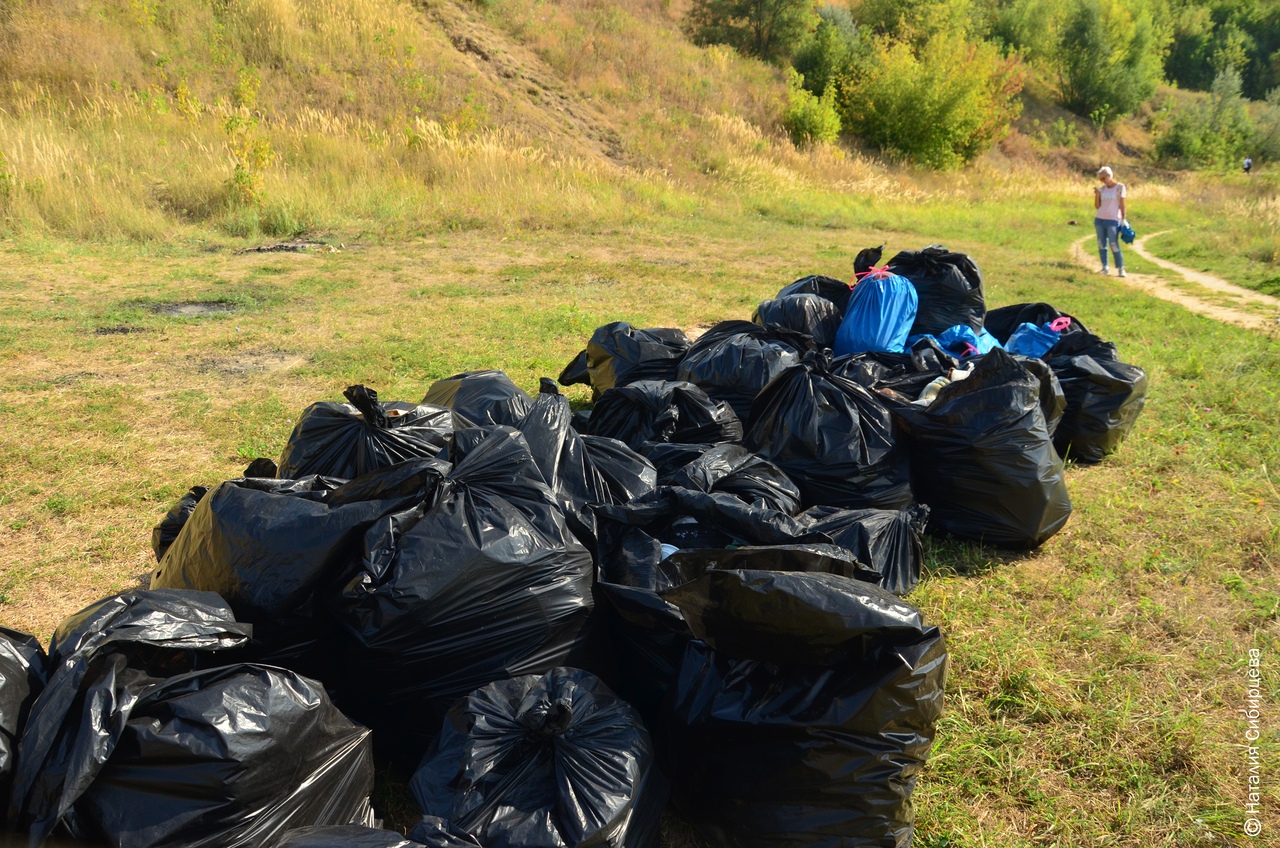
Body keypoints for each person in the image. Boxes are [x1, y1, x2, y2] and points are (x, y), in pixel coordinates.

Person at [1093, 166, 1127, 277]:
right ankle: (1105, 267)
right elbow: (1097, 206)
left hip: (1113, 220)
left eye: (1103, 178)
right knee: (1101, 243)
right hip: (1100, 219)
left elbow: (1122, 203)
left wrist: (1123, 218)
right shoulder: (1102, 189)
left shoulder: (1120, 187)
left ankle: (1121, 268)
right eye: (1100, 179)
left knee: (1113, 243)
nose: (1102, 181)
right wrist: (1097, 194)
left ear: (1109, 176)